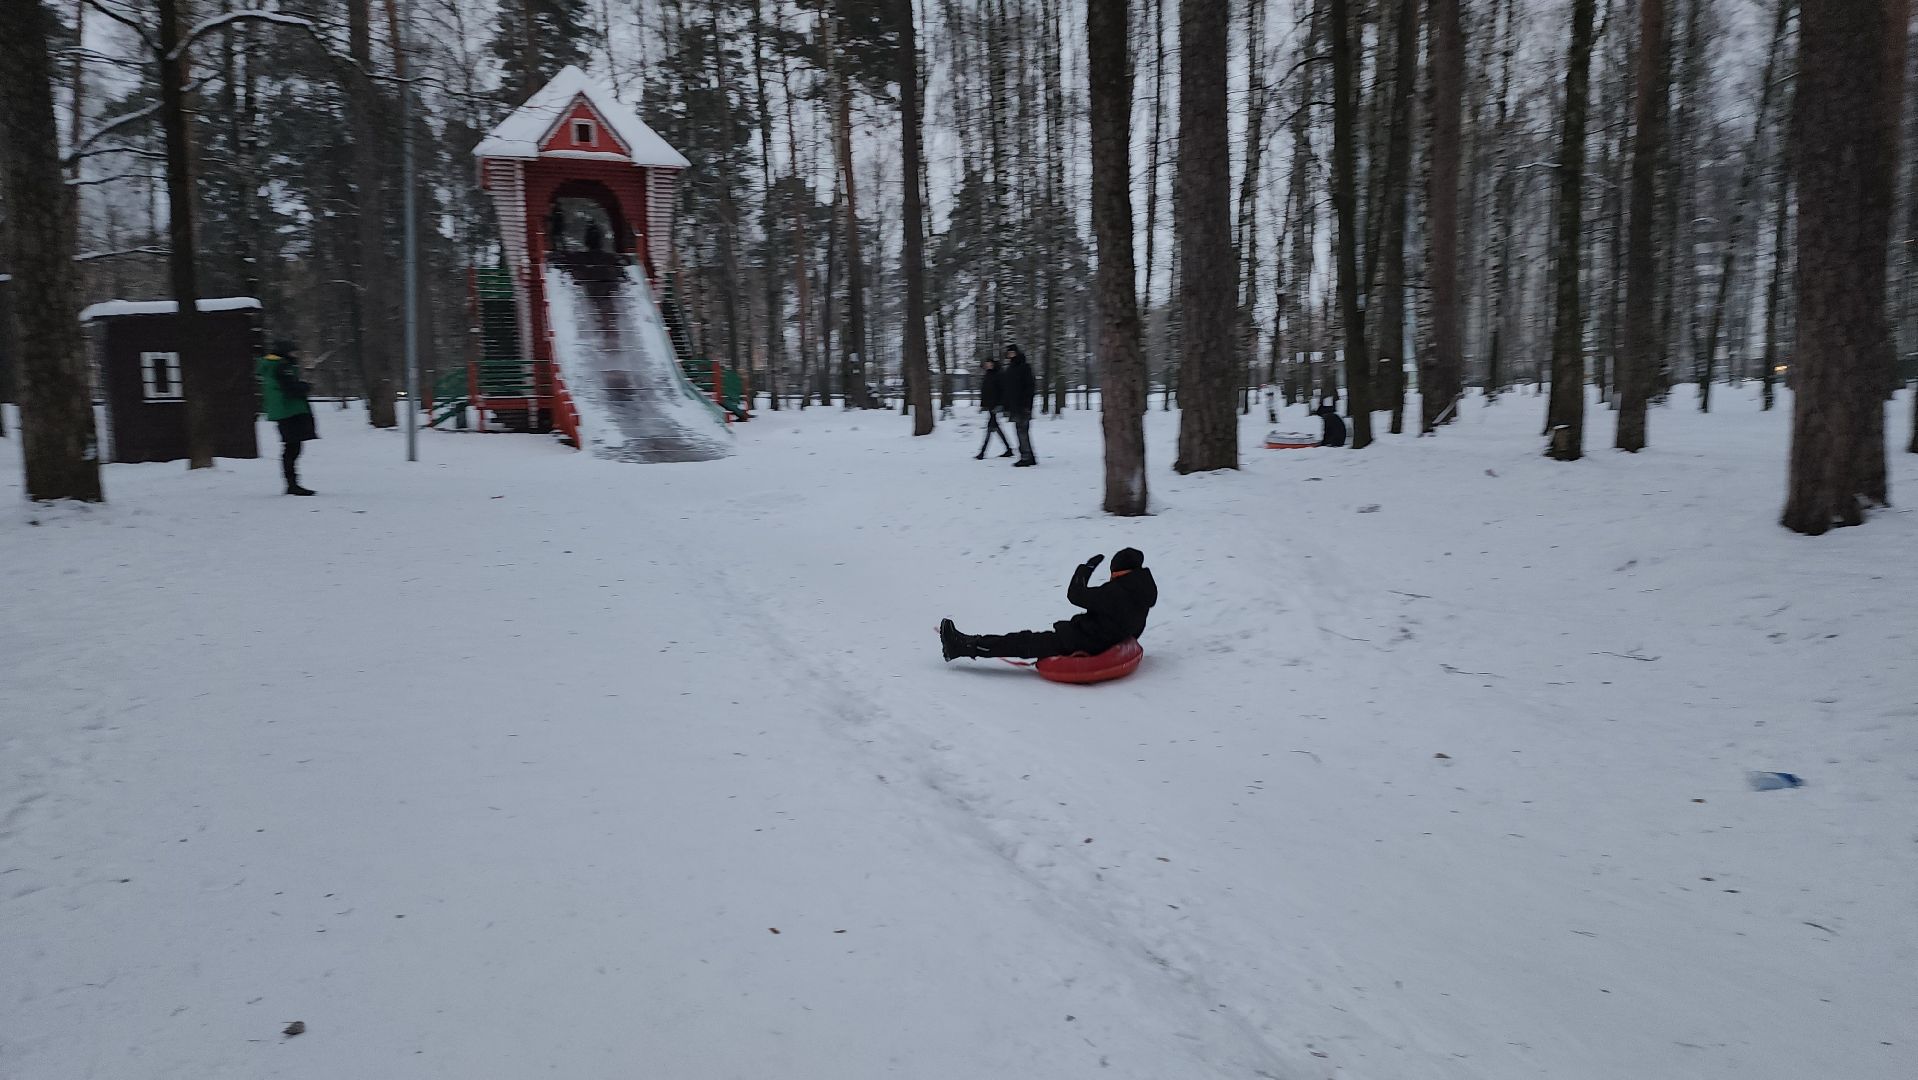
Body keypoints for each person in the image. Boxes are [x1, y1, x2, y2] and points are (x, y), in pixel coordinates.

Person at [940, 548, 1157, 661]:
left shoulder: (1116, 592)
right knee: (1026, 640)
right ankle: (967, 645)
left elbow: (1075, 594)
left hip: (1082, 643)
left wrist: (1085, 569)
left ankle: (961, 646)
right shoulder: (1142, 593)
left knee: (1022, 642)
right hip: (1101, 640)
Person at [258, 340, 317, 495]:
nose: (295, 355)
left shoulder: (273, 365)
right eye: (292, 352)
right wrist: (306, 386)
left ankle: (292, 483)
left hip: (283, 410)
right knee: (292, 448)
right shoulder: (281, 366)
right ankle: (292, 484)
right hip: (289, 410)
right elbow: (292, 388)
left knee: (292, 447)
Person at [1003, 344, 1038, 466]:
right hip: (1015, 406)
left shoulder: (1024, 367)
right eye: (1009, 353)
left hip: (1023, 405)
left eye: (1012, 353)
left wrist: (1027, 405)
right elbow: (1008, 389)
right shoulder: (1010, 369)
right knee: (1021, 431)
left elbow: (1030, 387)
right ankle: (1029, 456)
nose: (1010, 355)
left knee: (1022, 431)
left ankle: (1026, 456)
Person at [974, 356, 1014, 459]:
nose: (988, 365)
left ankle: (982, 452)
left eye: (989, 363)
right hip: (990, 405)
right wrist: (983, 404)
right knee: (995, 428)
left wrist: (1001, 404)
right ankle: (1008, 449)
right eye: (986, 363)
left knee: (990, 427)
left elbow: (1003, 391)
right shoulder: (988, 375)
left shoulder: (999, 374)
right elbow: (986, 390)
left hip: (995, 405)